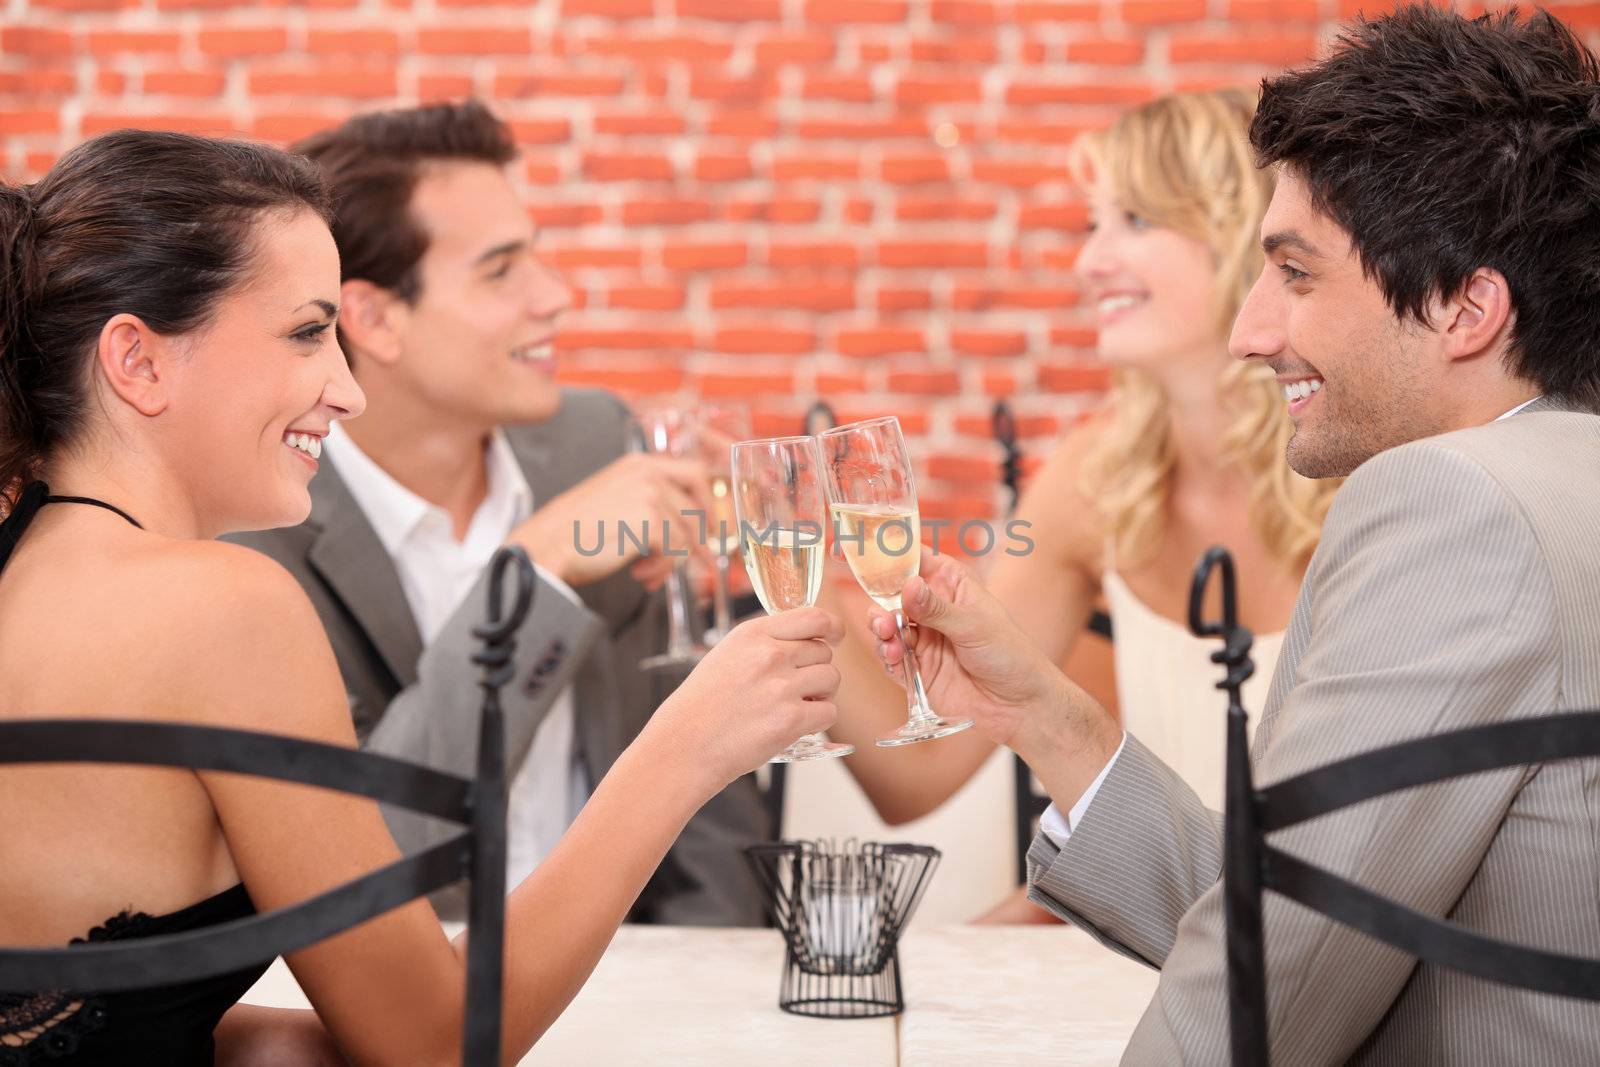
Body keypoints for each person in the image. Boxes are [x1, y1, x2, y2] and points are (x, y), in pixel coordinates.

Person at [0, 128, 840, 1065]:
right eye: (307, 332)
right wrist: (691, 747)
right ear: (140, 362)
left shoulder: (26, 571)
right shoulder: (226, 606)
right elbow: (440, 1043)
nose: (348, 390)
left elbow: (76, 1009)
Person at [867, 6, 1600, 1061]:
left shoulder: (1455, 506)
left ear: (1462, 308)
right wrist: (1052, 718)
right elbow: (1304, 914)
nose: (1252, 330)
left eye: (1296, 273)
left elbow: (1264, 995)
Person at [226, 100, 770, 925]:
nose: (555, 295)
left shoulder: (599, 443)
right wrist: (531, 575)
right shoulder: (260, 535)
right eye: (501, 269)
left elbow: (699, 779)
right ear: (372, 318)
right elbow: (370, 854)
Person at [820, 88, 1335, 920]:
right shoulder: (1096, 479)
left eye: (1133, 220)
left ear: (1240, 233)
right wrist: (795, 574)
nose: (1089, 261)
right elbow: (920, 772)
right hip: (1172, 960)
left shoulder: (1366, 474)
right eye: (1092, 225)